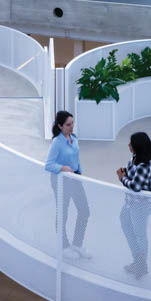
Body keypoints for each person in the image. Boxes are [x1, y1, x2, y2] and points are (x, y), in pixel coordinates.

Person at [44, 110, 89, 259]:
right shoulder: (57, 142)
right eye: (68, 125)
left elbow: (76, 158)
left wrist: (79, 173)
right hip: (61, 180)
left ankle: (77, 244)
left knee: (84, 210)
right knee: (63, 213)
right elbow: (48, 165)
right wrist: (63, 168)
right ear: (60, 126)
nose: (71, 127)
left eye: (72, 123)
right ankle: (63, 246)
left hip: (75, 179)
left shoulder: (74, 138)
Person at [116, 131, 151, 277]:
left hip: (141, 205)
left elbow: (135, 187)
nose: (128, 145)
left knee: (140, 235)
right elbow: (133, 174)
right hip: (131, 203)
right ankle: (138, 260)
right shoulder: (135, 158)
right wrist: (125, 171)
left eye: (131, 144)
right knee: (125, 223)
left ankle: (141, 265)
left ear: (137, 147)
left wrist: (122, 178)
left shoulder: (144, 165)